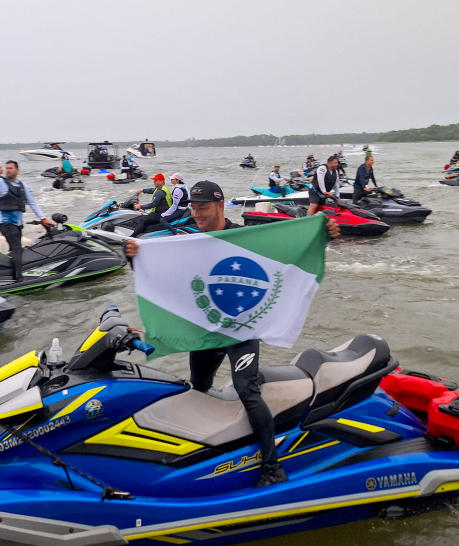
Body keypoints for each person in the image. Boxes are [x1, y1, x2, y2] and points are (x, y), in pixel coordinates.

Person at [124, 180, 340, 488]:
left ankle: (271, 467)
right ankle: (203, 456)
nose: (197, 214)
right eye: (194, 208)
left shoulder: (245, 237)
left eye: (203, 208)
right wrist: (134, 256)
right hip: (206, 332)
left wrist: (323, 235)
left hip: (242, 332)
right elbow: (165, 277)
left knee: (246, 391)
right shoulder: (191, 241)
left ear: (220, 205)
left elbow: (289, 251)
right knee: (198, 389)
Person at [0, 160, 55, 282]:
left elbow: (33, 203)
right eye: (7, 168)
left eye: (11, 168)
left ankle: (8, 271)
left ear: (17, 170)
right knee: (17, 248)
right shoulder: (1, 182)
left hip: (17, 224)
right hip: (5, 223)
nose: (8, 170)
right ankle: (19, 278)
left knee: (16, 248)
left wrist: (43, 219)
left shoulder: (22, 186)